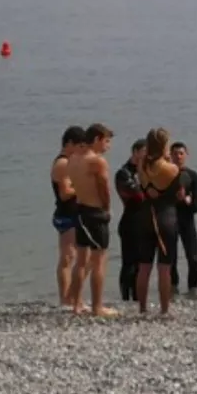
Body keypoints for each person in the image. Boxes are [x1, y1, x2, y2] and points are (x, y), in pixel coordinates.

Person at [65, 123, 116, 317]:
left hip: (80, 210)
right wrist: (107, 208)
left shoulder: (73, 159)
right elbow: (104, 188)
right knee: (99, 260)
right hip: (94, 212)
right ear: (96, 139)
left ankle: (76, 304)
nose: (108, 146)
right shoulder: (97, 161)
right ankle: (97, 306)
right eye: (106, 141)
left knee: (81, 260)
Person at [135, 128, 181, 315]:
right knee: (164, 266)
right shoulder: (171, 168)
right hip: (165, 216)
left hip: (146, 215)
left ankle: (143, 307)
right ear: (164, 145)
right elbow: (178, 193)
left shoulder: (141, 165)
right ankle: (164, 308)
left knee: (144, 265)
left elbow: (147, 187)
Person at [50, 126, 86, 307]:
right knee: (68, 256)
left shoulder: (70, 161)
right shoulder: (63, 163)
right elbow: (64, 193)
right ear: (70, 143)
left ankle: (71, 296)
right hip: (66, 214)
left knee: (79, 256)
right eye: (79, 146)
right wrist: (83, 187)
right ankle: (66, 298)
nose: (82, 151)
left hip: (72, 213)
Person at [115, 139, 146, 301]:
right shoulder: (124, 173)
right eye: (144, 152)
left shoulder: (147, 171)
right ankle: (125, 297)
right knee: (129, 262)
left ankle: (139, 296)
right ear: (135, 152)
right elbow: (139, 196)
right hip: (130, 221)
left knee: (142, 263)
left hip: (144, 221)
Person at [169, 141, 197, 295]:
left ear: (186, 155)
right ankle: (173, 287)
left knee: (193, 257)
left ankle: (193, 289)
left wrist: (187, 201)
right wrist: (177, 199)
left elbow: (196, 206)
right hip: (170, 220)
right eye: (175, 154)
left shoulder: (193, 176)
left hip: (187, 220)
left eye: (181, 153)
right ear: (170, 155)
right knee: (171, 258)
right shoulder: (166, 174)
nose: (178, 157)